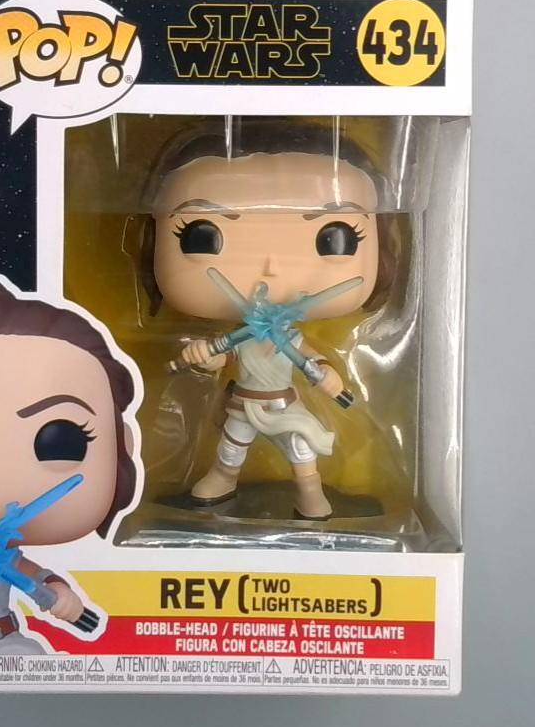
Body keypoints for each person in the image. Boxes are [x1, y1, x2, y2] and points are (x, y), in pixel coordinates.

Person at [148, 123, 382, 520]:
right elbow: (224, 357)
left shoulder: (289, 337)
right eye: (201, 235)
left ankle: (309, 492)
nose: (271, 267)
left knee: (300, 448)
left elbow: (310, 360)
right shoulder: (242, 336)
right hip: (243, 404)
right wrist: (203, 356)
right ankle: (223, 479)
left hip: (282, 403)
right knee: (231, 448)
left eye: (335, 235)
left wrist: (326, 374)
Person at [0, 276, 139, 654]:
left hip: (0, 643)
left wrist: (58, 591)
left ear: (123, 445)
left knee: (33, 662)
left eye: (61, 439)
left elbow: (30, 573)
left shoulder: (1, 552)